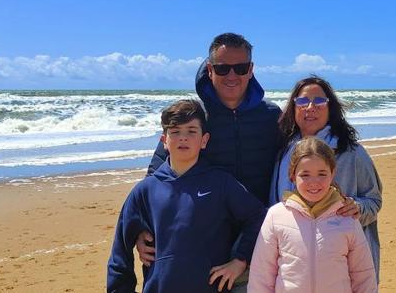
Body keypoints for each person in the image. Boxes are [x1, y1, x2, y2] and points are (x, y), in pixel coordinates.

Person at [139, 33, 284, 291]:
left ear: (250, 70)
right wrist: (143, 229)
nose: (232, 76)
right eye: (222, 68)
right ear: (209, 69)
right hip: (203, 243)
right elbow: (157, 175)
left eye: (240, 68)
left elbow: (300, 161)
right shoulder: (194, 118)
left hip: (260, 238)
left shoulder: (271, 116)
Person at [107, 99, 266, 292]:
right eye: (175, 132)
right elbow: (120, 253)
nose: (183, 138)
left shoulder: (221, 183)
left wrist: (241, 260)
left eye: (191, 131)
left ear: (204, 140)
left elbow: (259, 216)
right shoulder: (145, 190)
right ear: (164, 140)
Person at [269, 76, 383, 281]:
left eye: (319, 101)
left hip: (342, 265)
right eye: (302, 101)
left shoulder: (351, 152)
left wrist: (357, 207)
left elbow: (374, 200)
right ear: (293, 108)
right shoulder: (284, 152)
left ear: (330, 107)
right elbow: (275, 206)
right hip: (295, 264)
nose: (310, 107)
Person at [248, 137, 377, 293]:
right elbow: (261, 276)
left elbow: (363, 276)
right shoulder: (276, 216)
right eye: (305, 175)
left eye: (322, 174)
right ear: (292, 175)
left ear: (332, 173)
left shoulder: (347, 217)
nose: (314, 182)